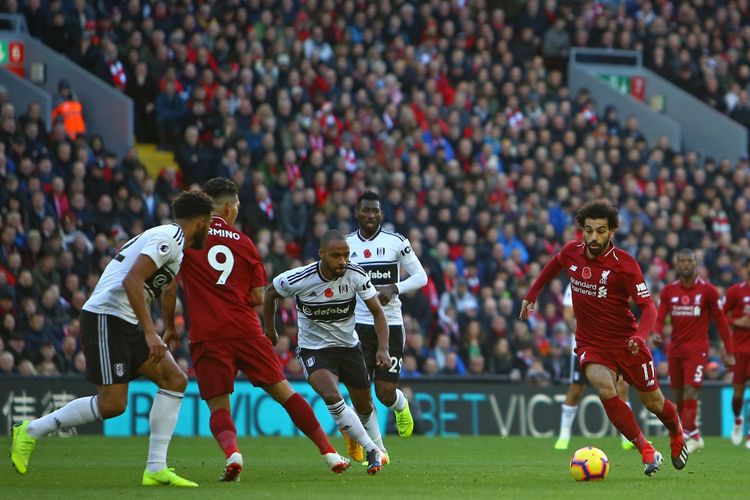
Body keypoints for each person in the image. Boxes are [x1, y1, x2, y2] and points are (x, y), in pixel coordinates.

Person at [10, 191, 214, 486]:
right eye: (208, 224)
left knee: (174, 379)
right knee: (113, 405)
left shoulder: (174, 245)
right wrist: (150, 331)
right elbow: (132, 279)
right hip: (107, 317)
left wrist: (169, 326)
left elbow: (168, 288)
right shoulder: (170, 237)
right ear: (201, 221)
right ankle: (31, 431)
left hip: (126, 319)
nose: (208, 231)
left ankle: (156, 468)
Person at [178, 178, 349, 481]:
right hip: (245, 329)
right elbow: (259, 297)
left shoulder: (188, 239)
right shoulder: (244, 242)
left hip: (208, 332)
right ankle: (329, 452)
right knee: (285, 393)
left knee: (218, 405)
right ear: (229, 208)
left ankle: (233, 454)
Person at [520, 199, 687, 477]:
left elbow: (648, 307)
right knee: (605, 388)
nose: (593, 237)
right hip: (591, 343)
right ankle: (646, 449)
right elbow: (553, 264)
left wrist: (641, 337)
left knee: (654, 403)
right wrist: (532, 294)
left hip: (627, 343)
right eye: (588, 230)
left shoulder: (625, 264)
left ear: (611, 232)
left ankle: (676, 431)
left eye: (600, 231)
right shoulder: (572, 252)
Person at [263, 230, 390, 475]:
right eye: (336, 256)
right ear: (322, 255)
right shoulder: (300, 278)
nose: (342, 261)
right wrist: (271, 330)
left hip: (349, 348)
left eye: (345, 255)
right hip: (315, 350)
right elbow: (270, 293)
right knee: (332, 395)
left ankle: (362, 438)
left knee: (364, 406)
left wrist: (383, 348)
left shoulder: (356, 274)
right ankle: (373, 450)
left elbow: (378, 313)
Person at [343, 190, 427, 461]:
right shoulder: (344, 245)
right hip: (357, 326)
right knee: (361, 393)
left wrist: (395, 287)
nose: (370, 215)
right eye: (365, 210)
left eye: (375, 211)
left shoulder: (396, 242)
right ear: (357, 213)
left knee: (385, 393)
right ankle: (377, 450)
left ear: (381, 214)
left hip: (389, 324)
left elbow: (421, 278)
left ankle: (401, 406)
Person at [652, 249, 734, 453]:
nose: (686, 264)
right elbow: (660, 316)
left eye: (690, 261)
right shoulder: (668, 291)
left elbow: (722, 322)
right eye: (682, 261)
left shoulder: (708, 291)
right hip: (676, 350)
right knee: (678, 394)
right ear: (677, 265)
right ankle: (694, 434)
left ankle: (688, 434)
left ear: (695, 264)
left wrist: (729, 351)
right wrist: (656, 332)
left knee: (691, 390)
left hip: (698, 350)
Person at [554, 284, 635, 451]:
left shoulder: (607, 281)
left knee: (621, 386)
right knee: (576, 390)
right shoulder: (575, 284)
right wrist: (584, 336)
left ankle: (628, 438)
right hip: (583, 347)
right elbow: (568, 316)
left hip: (609, 346)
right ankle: (563, 437)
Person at [723, 258, 750, 448]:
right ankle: (738, 419)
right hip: (739, 348)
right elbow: (720, 314)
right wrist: (736, 321)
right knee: (738, 391)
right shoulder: (735, 291)